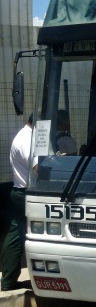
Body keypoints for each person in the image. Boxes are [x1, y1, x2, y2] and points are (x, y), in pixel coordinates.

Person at [1, 114, 36, 291]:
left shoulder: (25, 136)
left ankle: (8, 281)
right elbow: (38, 167)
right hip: (26, 193)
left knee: (15, 233)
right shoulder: (27, 139)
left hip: (19, 191)